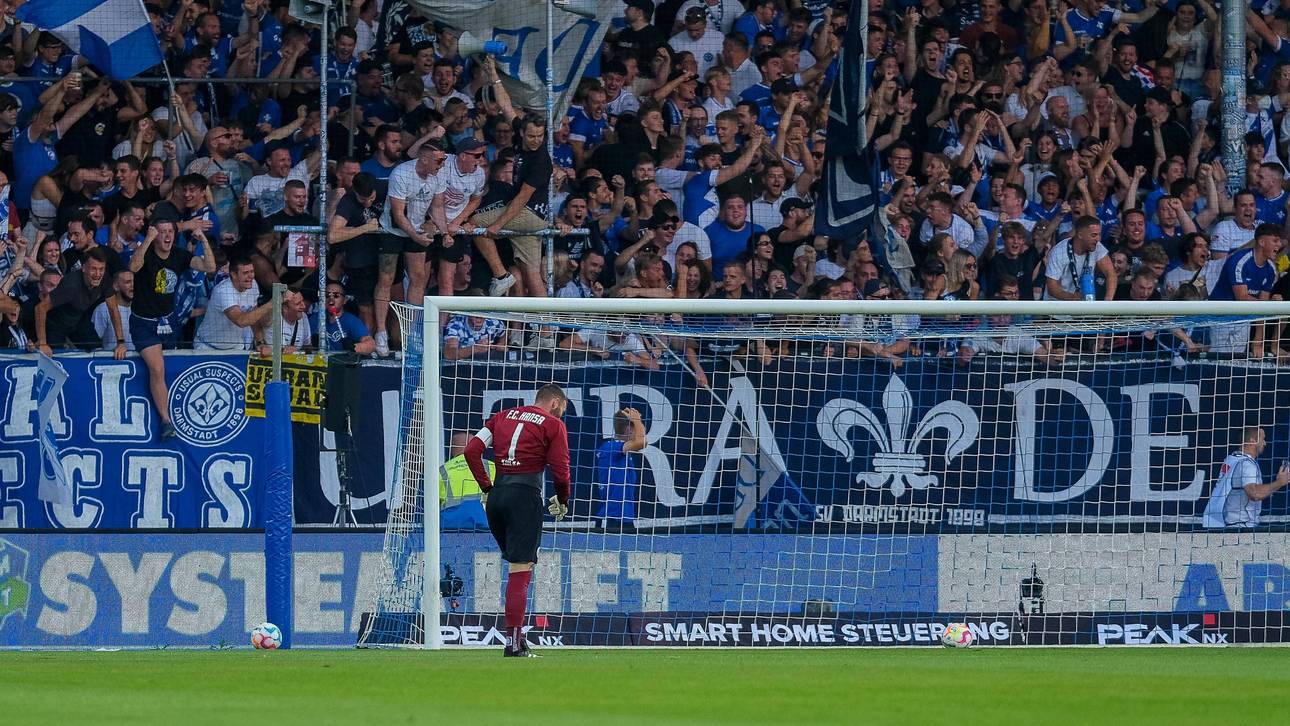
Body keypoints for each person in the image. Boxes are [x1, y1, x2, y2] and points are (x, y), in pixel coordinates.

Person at [464, 384, 572, 657]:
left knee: (517, 567)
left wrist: (488, 489)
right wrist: (563, 499)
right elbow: (561, 471)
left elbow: (471, 451)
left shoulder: (502, 416)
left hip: (498, 496)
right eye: (562, 410)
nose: (561, 415)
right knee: (520, 569)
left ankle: (518, 640)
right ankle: (513, 643)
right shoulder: (553, 424)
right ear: (556, 403)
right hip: (524, 496)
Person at [129, 221, 216, 440]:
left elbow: (209, 267)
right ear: (155, 235)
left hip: (168, 321)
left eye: (170, 232)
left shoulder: (179, 255)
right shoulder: (146, 252)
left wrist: (202, 239)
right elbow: (133, 267)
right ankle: (166, 420)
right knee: (157, 368)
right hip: (143, 323)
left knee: (169, 364)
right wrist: (148, 239)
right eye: (162, 232)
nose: (167, 236)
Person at [35, 248, 125, 357]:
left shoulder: (104, 278)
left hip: (78, 319)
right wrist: (42, 342)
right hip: (56, 324)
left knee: (96, 349)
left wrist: (120, 342)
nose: (98, 274)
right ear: (83, 268)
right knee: (52, 355)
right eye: (93, 269)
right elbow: (39, 308)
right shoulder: (71, 285)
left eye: (101, 269)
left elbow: (113, 309)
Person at [1202, 427, 1290, 528]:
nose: (1264, 443)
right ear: (1253, 440)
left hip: (1223, 524)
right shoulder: (1246, 464)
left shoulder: (1232, 459)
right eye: (1262, 439)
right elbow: (1254, 493)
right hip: (1239, 527)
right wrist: (1280, 482)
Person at [194, 257, 273, 350]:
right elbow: (240, 321)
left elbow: (253, 315)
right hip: (208, 347)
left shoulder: (253, 285)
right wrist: (272, 303)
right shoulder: (223, 291)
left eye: (252, 271)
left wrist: (260, 342)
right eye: (245, 273)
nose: (251, 276)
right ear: (234, 275)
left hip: (235, 347)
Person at [593, 407, 647, 524]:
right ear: (628, 429)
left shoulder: (622, 451)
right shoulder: (611, 448)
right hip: (611, 518)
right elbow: (642, 442)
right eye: (635, 429)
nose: (639, 431)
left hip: (625, 517)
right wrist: (637, 421)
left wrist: (636, 421)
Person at [440, 431, 491, 530]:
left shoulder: (442, 471)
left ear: (452, 450)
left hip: (449, 529)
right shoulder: (492, 467)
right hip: (488, 526)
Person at [321, 280, 376, 354]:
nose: (331, 300)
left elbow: (371, 344)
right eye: (327, 296)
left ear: (344, 300)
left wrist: (354, 347)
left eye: (336, 296)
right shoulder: (316, 318)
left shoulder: (351, 321)